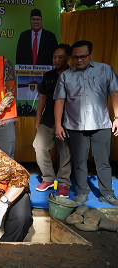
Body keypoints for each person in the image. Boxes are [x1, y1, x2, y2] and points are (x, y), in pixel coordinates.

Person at [54, 40, 118, 207]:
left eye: (83, 56)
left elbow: (114, 94)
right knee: (80, 161)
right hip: (75, 126)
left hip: (101, 124)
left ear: (91, 54)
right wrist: (58, 124)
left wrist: (117, 118)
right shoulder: (66, 76)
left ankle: (107, 194)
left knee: (103, 161)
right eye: (75, 57)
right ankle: (82, 192)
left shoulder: (105, 70)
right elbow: (59, 101)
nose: (79, 60)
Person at [33, 44, 72, 197]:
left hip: (68, 121)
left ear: (68, 58)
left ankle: (63, 184)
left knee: (65, 153)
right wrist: (37, 120)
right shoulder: (48, 76)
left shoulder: (73, 74)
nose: (56, 60)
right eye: (54, 57)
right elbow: (42, 98)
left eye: (60, 57)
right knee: (39, 146)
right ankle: (48, 178)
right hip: (48, 119)